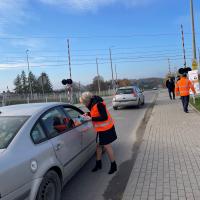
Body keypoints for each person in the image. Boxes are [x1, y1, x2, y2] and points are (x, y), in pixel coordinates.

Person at [80, 92, 117, 174]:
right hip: (101, 129)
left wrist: (91, 119)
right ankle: (98, 164)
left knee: (107, 147)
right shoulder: (93, 104)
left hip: (106, 129)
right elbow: (96, 113)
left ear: (88, 100)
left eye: (85, 103)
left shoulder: (98, 104)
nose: (85, 105)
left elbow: (104, 117)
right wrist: (88, 114)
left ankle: (114, 166)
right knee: (98, 146)